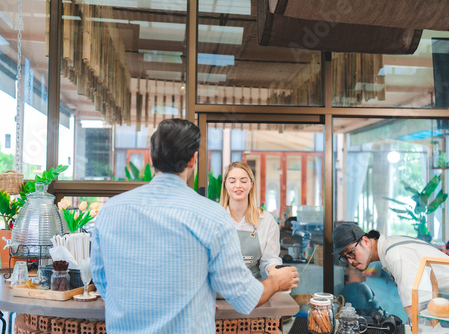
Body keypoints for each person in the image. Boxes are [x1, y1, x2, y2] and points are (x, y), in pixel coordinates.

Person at [91, 119, 299, 333]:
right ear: (192, 159)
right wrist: (276, 282)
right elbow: (244, 296)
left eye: (243, 180)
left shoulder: (111, 210)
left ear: (152, 157)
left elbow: (102, 281)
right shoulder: (211, 215)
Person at [333, 222, 449, 316]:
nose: (350, 261)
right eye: (344, 257)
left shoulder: (395, 255)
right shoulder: (390, 246)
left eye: (351, 253)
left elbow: (416, 311)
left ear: (366, 241)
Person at [219, 161, 282, 280]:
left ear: (251, 184)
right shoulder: (214, 217)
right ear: (225, 185)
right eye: (232, 181)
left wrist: (277, 272)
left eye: (243, 181)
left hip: (253, 290)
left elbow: (270, 260)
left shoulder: (266, 220)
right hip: (218, 290)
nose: (238, 185)